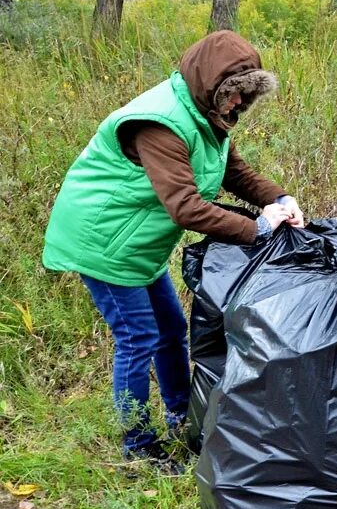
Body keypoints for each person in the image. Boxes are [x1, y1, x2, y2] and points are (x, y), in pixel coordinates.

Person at [42, 31, 305, 468]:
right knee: (138, 337)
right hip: (104, 241)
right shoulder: (160, 124)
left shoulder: (203, 115)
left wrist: (277, 199)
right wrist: (256, 227)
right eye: (236, 94)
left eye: (247, 96)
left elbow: (233, 171)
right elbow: (185, 207)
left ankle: (183, 416)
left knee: (170, 329)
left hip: (137, 241)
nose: (240, 104)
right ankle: (139, 446)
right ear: (214, 86)